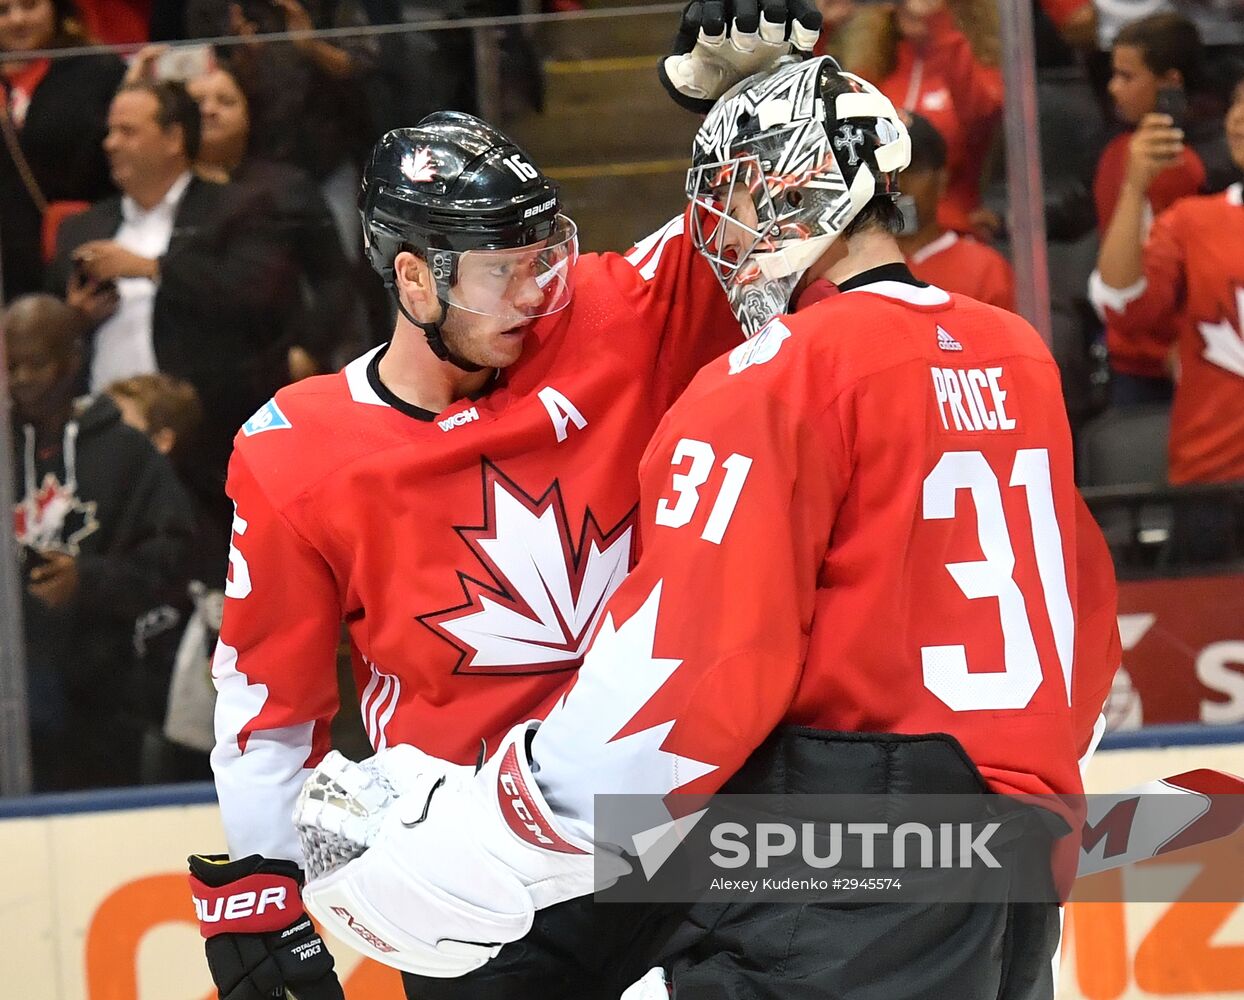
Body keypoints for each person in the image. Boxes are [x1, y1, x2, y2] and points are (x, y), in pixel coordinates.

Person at [299, 56, 1122, 999]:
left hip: (842, 873)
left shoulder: (775, 376)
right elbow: (1084, 636)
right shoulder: (1012, 349)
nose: (721, 238)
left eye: (732, 201)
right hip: (1014, 869)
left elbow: (679, 690)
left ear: (794, 193)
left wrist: (483, 841)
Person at [184, 5, 823, 1000]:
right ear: (413, 279)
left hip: (677, 838)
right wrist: (266, 894)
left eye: (544, 255)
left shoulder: (607, 314)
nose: (536, 290)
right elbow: (268, 711)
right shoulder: (294, 451)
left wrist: (758, 90)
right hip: (476, 880)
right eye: (502, 270)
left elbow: (765, 220)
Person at [46, 78, 298, 514]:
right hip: (100, 442)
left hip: (210, 436)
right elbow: (47, 322)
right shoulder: (82, 228)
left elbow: (259, 293)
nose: (110, 144)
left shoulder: (238, 209)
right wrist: (72, 318)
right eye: (110, 132)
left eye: (127, 131)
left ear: (174, 138)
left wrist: (151, 268)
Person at [7, 294, 193, 791]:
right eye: (10, 365)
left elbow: (172, 562)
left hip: (105, 698)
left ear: (73, 360)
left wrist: (86, 580)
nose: (21, 379)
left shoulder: (124, 451)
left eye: (36, 363)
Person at [1091, 72, 1244, 558]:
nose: (1238, 120)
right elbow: (1122, 303)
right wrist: (1135, 189)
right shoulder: (1193, 221)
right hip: (1210, 483)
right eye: (1237, 104)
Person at [1090, 11, 1206, 405]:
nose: (1113, 87)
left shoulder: (1185, 168)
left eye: (1127, 76)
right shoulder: (1115, 154)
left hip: (1171, 361)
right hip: (1128, 356)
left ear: (1170, 82)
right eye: (1114, 73)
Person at [0, 0, 124, 300]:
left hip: (85, 250)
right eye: (2, 10)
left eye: (30, 5)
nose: (17, 20)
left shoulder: (99, 71)